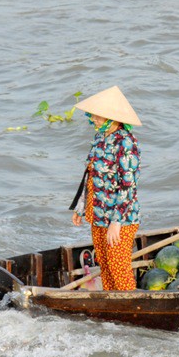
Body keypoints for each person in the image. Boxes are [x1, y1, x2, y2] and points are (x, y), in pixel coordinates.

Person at [69, 86, 142, 291]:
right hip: (98, 212)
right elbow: (90, 175)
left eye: (98, 116)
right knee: (105, 263)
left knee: (119, 268)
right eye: (93, 116)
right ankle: (114, 307)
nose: (94, 119)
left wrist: (116, 223)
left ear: (112, 118)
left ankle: (130, 306)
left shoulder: (126, 144)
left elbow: (128, 186)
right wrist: (81, 207)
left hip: (120, 217)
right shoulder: (100, 139)